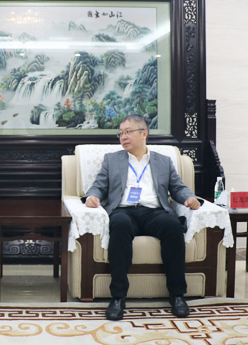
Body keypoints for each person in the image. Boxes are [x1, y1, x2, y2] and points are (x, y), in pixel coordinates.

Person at [82, 114, 202, 320]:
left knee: (173, 226)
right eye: (121, 133)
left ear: (144, 133)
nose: (123, 137)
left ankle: (177, 295)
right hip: (124, 211)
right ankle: (118, 297)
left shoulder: (163, 161)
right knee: (119, 225)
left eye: (128, 132)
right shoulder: (112, 160)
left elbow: (177, 188)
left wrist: (190, 198)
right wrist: (92, 196)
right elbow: (99, 186)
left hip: (154, 212)